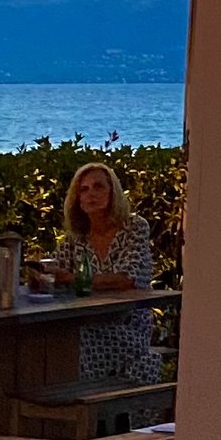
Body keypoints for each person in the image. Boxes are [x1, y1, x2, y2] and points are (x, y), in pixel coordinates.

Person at [64, 162, 159, 381]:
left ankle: (81, 404)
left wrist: (72, 279)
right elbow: (55, 271)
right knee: (54, 337)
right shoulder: (78, 237)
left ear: (112, 192)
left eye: (98, 187)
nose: (91, 194)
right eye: (84, 189)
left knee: (76, 339)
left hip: (128, 327)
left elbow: (126, 279)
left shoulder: (134, 227)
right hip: (88, 320)